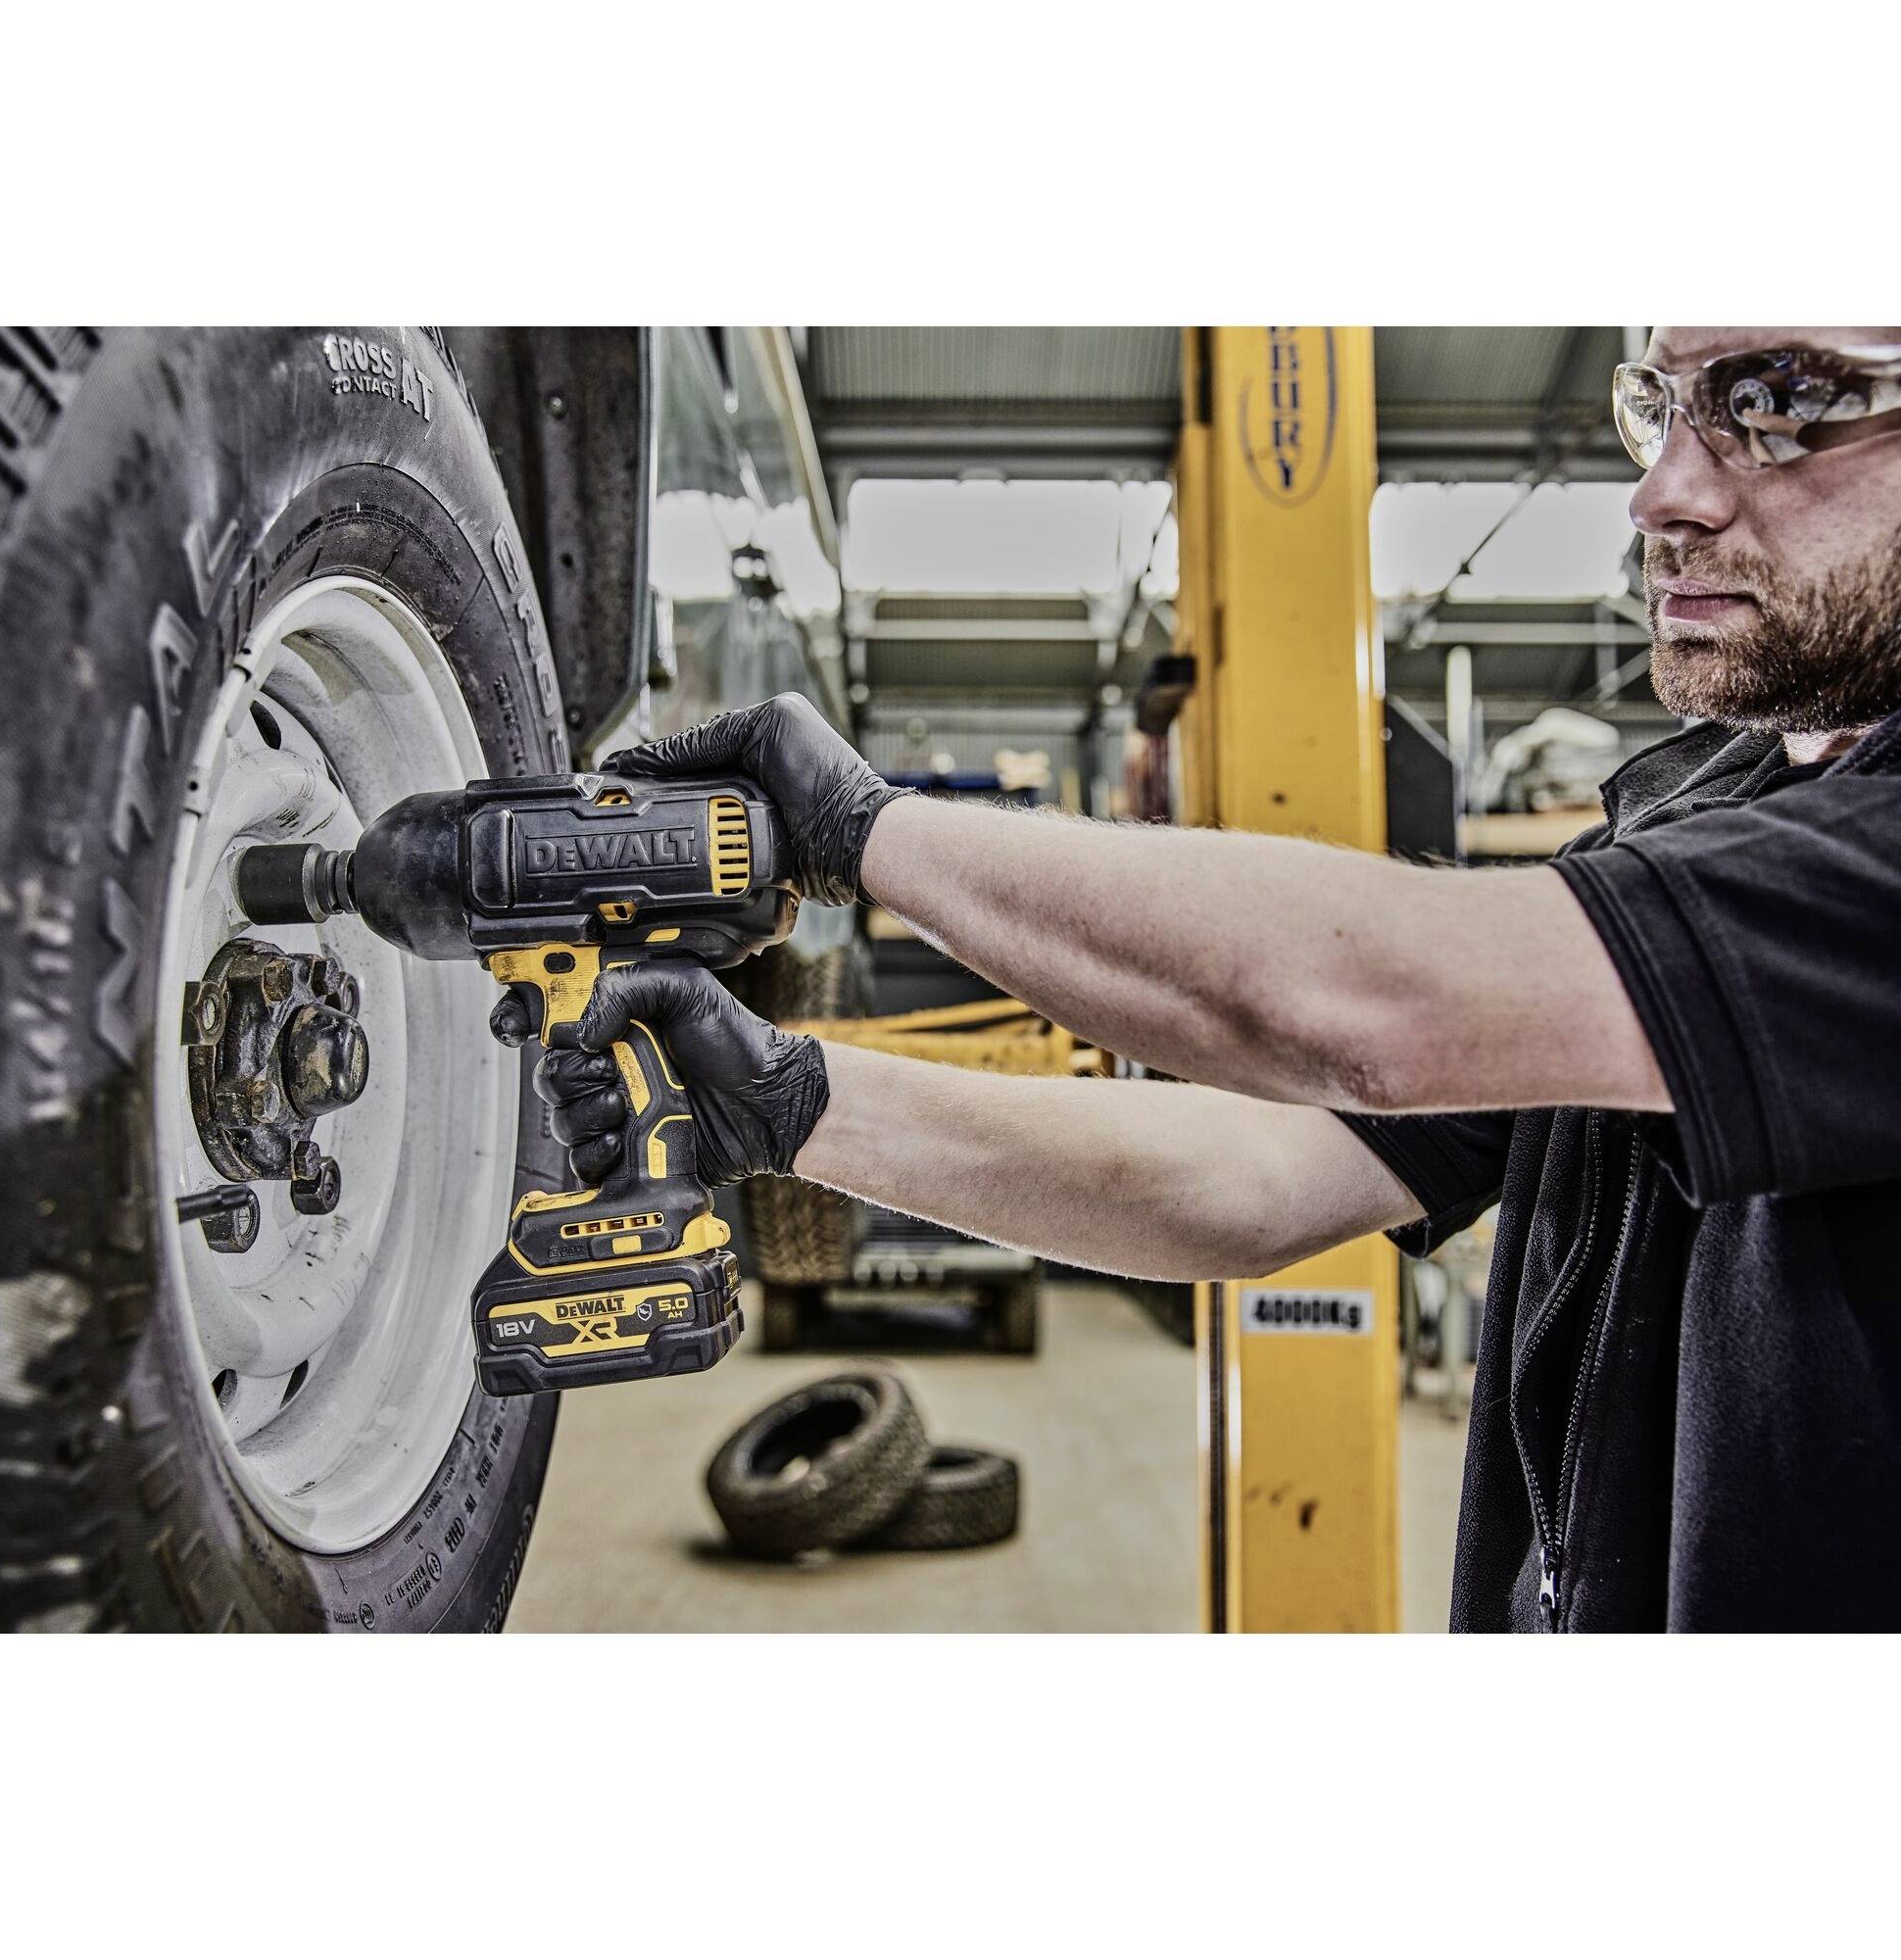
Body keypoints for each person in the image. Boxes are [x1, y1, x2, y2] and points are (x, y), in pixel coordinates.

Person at [503, 328, 1901, 1633]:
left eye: (1778, 406)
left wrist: (867, 835)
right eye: (1655, 405)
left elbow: (1375, 1014)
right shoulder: (1688, 820)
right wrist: (792, 1102)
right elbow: (1263, 1178)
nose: (1663, 492)